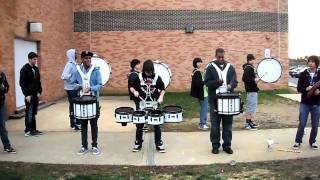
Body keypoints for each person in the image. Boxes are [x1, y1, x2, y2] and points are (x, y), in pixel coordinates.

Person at [204, 48, 238, 154]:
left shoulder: (230, 67)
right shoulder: (210, 67)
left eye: (223, 57)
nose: (221, 59)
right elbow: (207, 83)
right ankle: (215, 146)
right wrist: (217, 82)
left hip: (228, 99)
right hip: (214, 100)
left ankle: (227, 145)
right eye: (219, 57)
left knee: (227, 124)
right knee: (215, 125)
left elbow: (235, 81)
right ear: (216, 56)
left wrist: (231, 85)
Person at [130, 60, 166, 153]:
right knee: (140, 124)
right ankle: (138, 143)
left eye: (150, 72)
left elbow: (162, 89)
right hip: (142, 104)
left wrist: (161, 96)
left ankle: (158, 143)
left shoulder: (157, 77)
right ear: (144, 70)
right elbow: (131, 86)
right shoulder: (138, 77)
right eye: (146, 71)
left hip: (154, 104)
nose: (148, 73)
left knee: (156, 125)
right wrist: (134, 91)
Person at [75, 51, 102, 155]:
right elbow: (73, 84)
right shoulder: (78, 70)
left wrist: (91, 88)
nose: (88, 60)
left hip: (93, 100)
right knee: (83, 124)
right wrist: (79, 86)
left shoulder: (96, 70)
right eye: (86, 58)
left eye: (89, 58)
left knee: (94, 124)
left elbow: (99, 85)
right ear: (82, 59)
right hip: (82, 101)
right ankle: (84, 146)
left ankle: (94, 145)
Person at [293, 56, 320, 150]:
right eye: (309, 62)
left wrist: (318, 92)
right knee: (302, 123)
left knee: (315, 125)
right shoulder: (303, 74)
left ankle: (312, 142)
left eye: (313, 62)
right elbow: (298, 88)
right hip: (305, 103)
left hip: (316, 103)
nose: (310, 63)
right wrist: (306, 89)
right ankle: (297, 141)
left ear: (316, 63)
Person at [19, 52, 43, 137]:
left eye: (36, 59)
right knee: (29, 113)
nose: (36, 61)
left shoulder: (36, 69)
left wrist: (39, 91)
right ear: (29, 59)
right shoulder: (24, 69)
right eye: (34, 59)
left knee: (33, 113)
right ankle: (28, 131)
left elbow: (38, 81)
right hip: (29, 95)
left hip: (35, 94)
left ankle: (34, 129)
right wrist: (27, 94)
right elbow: (22, 83)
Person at [61, 49, 80, 131]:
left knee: (76, 105)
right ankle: (73, 124)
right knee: (72, 106)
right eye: (75, 53)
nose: (76, 55)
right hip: (70, 89)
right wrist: (71, 76)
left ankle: (77, 121)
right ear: (71, 54)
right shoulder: (69, 65)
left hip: (75, 88)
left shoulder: (75, 64)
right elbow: (63, 76)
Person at [190, 57, 209, 130]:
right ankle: (202, 124)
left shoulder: (196, 71)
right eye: (198, 62)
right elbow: (198, 84)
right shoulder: (197, 72)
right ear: (195, 63)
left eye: (201, 62)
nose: (200, 63)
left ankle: (203, 122)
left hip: (203, 93)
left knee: (204, 108)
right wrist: (205, 82)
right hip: (202, 93)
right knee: (204, 109)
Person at [242, 54, 259, 130]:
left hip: (253, 90)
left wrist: (255, 81)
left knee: (252, 107)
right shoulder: (248, 68)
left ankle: (250, 121)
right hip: (251, 91)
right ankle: (247, 123)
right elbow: (244, 79)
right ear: (250, 60)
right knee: (250, 107)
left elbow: (250, 79)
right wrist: (254, 80)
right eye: (253, 59)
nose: (254, 61)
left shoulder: (250, 68)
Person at [0, 71, 16, 153]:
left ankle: (7, 146)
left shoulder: (2, 74)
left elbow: (7, 87)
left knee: (2, 126)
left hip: (1, 104)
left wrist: (4, 88)